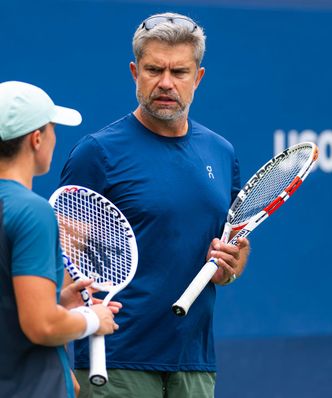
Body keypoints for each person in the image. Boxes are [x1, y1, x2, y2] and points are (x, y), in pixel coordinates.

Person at [60, 12, 250, 398]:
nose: (165, 83)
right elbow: (66, 262)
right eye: (153, 69)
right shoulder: (97, 153)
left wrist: (229, 267)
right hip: (114, 361)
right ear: (135, 72)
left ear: (198, 78)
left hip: (194, 363)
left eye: (179, 72)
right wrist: (66, 353)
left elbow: (234, 252)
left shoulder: (221, 152)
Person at [0, 81, 122, 398]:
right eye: (53, 128)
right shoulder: (32, 212)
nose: (56, 138)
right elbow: (42, 325)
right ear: (37, 139)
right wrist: (91, 319)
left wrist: (60, 304)